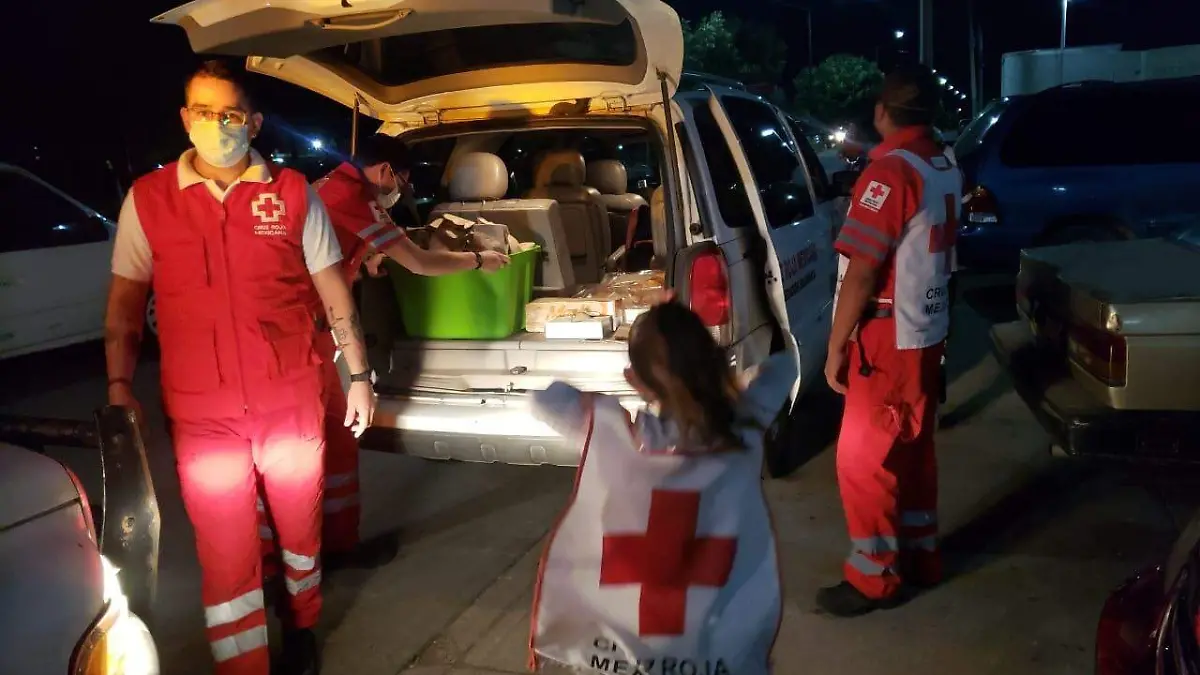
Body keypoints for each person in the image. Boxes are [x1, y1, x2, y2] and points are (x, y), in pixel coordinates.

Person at [104, 60, 375, 675]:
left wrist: (358, 375)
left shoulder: (292, 193)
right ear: (184, 117)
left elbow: (334, 292)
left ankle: (301, 626)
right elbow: (123, 306)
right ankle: (244, 665)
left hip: (290, 402)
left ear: (252, 123)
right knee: (226, 555)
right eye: (202, 112)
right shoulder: (148, 201)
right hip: (204, 414)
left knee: (299, 535)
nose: (214, 125)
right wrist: (120, 386)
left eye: (228, 114)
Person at [258, 134, 509, 571]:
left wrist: (365, 255)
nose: (399, 193)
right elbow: (420, 262)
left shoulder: (325, 186)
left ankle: (337, 546)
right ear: (386, 171)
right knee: (298, 456)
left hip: (305, 334)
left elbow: (335, 248)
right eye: (402, 182)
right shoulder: (356, 197)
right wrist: (478, 260)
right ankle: (286, 564)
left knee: (336, 442)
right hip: (295, 340)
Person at [528, 302, 790, 674]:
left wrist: (602, 408)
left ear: (635, 379)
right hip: (715, 635)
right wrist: (732, 384)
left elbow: (545, 399)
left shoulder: (629, 438)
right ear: (712, 361)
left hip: (637, 647)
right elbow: (783, 366)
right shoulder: (746, 424)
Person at [819, 63, 962, 617]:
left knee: (863, 461)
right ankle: (921, 557)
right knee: (912, 450)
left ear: (883, 113)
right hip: (926, 333)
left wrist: (835, 347)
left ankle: (873, 576)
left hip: (887, 336)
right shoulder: (942, 163)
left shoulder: (889, 174)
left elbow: (861, 270)